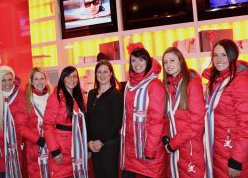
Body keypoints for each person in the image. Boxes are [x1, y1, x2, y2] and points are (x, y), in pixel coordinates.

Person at [202, 39, 248, 178]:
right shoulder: (216, 79)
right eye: (215, 55)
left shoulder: (239, 80)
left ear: (233, 55)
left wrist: (236, 160)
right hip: (218, 148)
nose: (218, 59)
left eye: (223, 55)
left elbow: (245, 123)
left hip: (232, 150)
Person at [120, 43, 166, 178]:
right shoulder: (130, 85)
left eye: (141, 59)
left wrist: (150, 150)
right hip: (130, 150)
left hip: (146, 150)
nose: (137, 63)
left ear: (148, 61)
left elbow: (156, 120)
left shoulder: (155, 85)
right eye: (133, 60)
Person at [161, 47, 205, 177]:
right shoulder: (167, 85)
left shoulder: (192, 84)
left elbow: (197, 123)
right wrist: (165, 136)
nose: (168, 65)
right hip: (173, 146)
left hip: (190, 146)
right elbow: (165, 116)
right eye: (165, 62)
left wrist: (173, 144)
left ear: (181, 61)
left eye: (172, 60)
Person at [43, 66, 88, 178]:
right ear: (63, 78)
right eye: (68, 76)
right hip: (62, 147)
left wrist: (86, 146)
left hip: (78, 145)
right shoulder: (55, 97)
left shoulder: (80, 97)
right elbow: (48, 125)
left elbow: (84, 124)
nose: (72, 79)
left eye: (74, 76)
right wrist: (54, 150)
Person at [86, 60, 123, 178]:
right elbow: (89, 120)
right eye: (99, 72)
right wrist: (89, 142)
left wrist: (101, 141)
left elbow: (117, 123)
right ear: (96, 75)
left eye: (105, 72)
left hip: (109, 144)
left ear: (111, 74)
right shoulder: (91, 93)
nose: (102, 75)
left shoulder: (116, 94)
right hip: (94, 145)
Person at [16, 67, 53, 178]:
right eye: (36, 79)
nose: (39, 82)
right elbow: (21, 127)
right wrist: (38, 140)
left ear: (46, 80)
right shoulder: (25, 99)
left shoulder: (52, 96)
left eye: (42, 78)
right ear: (31, 81)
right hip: (35, 147)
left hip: (53, 145)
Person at [0, 65, 26, 178]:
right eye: (3, 80)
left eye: (9, 79)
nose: (7, 83)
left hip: (15, 149)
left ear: (13, 79)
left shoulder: (22, 94)